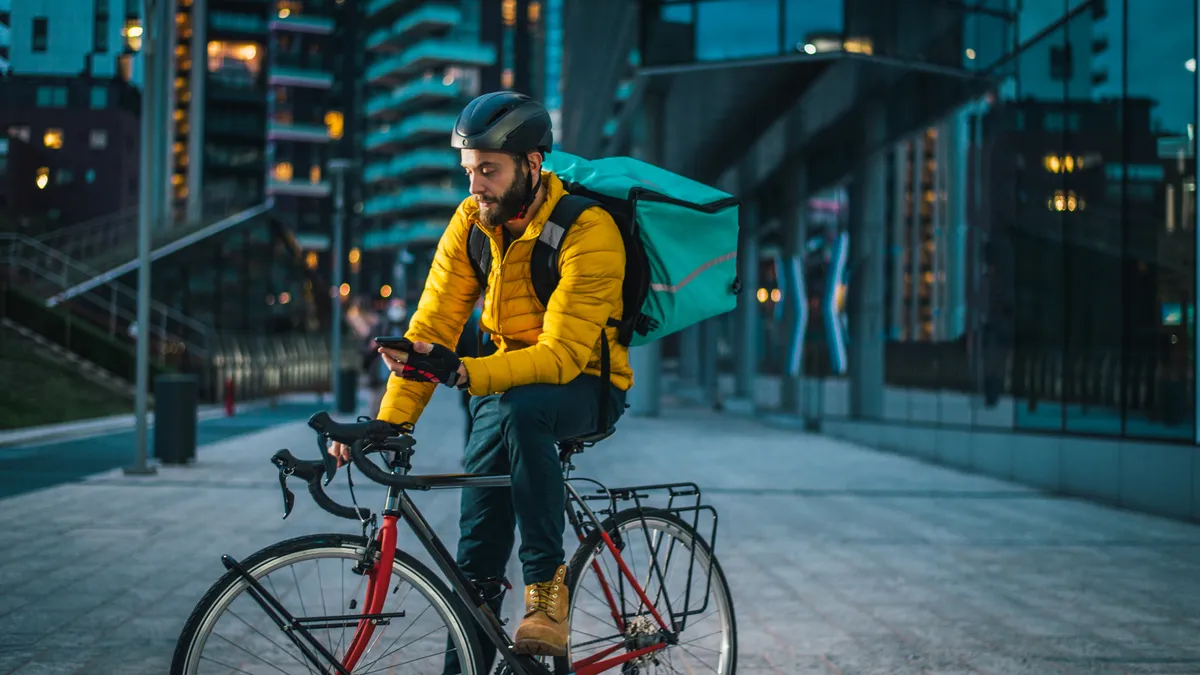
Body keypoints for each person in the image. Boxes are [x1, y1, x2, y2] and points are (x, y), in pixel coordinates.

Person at [327, 91, 633, 667]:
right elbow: (433, 329)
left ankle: (547, 597)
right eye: (469, 170)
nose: (476, 186)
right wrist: (388, 422)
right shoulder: (472, 223)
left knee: (523, 410)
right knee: (475, 561)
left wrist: (465, 371)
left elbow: (562, 356)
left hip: (587, 385)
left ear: (533, 164)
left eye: (489, 170)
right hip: (504, 385)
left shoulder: (587, 229)